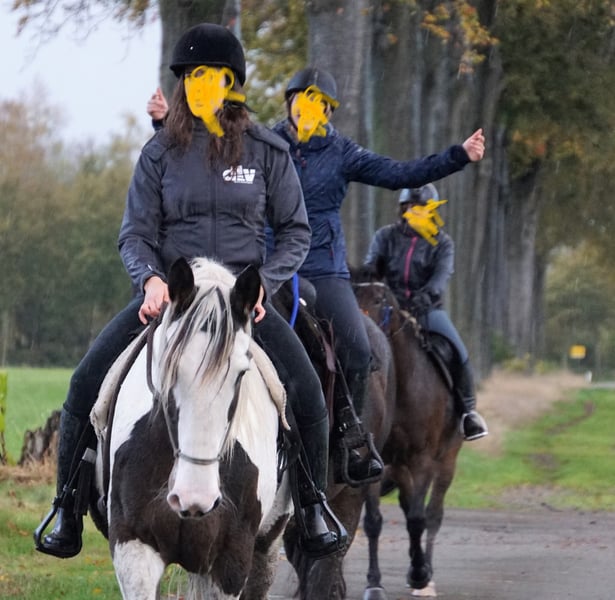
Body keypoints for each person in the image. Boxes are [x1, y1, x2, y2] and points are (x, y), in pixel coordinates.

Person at [35, 23, 346, 561]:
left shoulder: (267, 151)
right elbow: (135, 233)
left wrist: (264, 284)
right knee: (87, 381)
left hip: (241, 301)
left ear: (232, 83)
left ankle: (313, 506)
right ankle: (66, 506)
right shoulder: (159, 154)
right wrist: (150, 279)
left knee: (306, 391)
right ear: (183, 84)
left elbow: (296, 232)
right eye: (194, 76)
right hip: (173, 297)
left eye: (214, 76)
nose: (203, 85)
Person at [146, 67, 486, 484]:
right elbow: (201, 159)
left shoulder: (343, 153)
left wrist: (458, 156)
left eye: (319, 103)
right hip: (265, 269)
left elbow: (400, 173)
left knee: (358, 348)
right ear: (289, 102)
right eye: (302, 99)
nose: (309, 108)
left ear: (327, 111)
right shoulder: (260, 144)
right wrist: (164, 124)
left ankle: (349, 436)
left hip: (323, 269)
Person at [364, 184, 488, 440]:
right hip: (388, 308)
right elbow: (372, 266)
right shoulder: (385, 236)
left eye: (421, 207)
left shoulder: (442, 243)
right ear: (402, 209)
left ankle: (469, 412)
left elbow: (441, 276)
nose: (414, 211)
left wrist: (426, 295)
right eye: (410, 207)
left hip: (425, 310)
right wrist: (373, 277)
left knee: (457, 348)